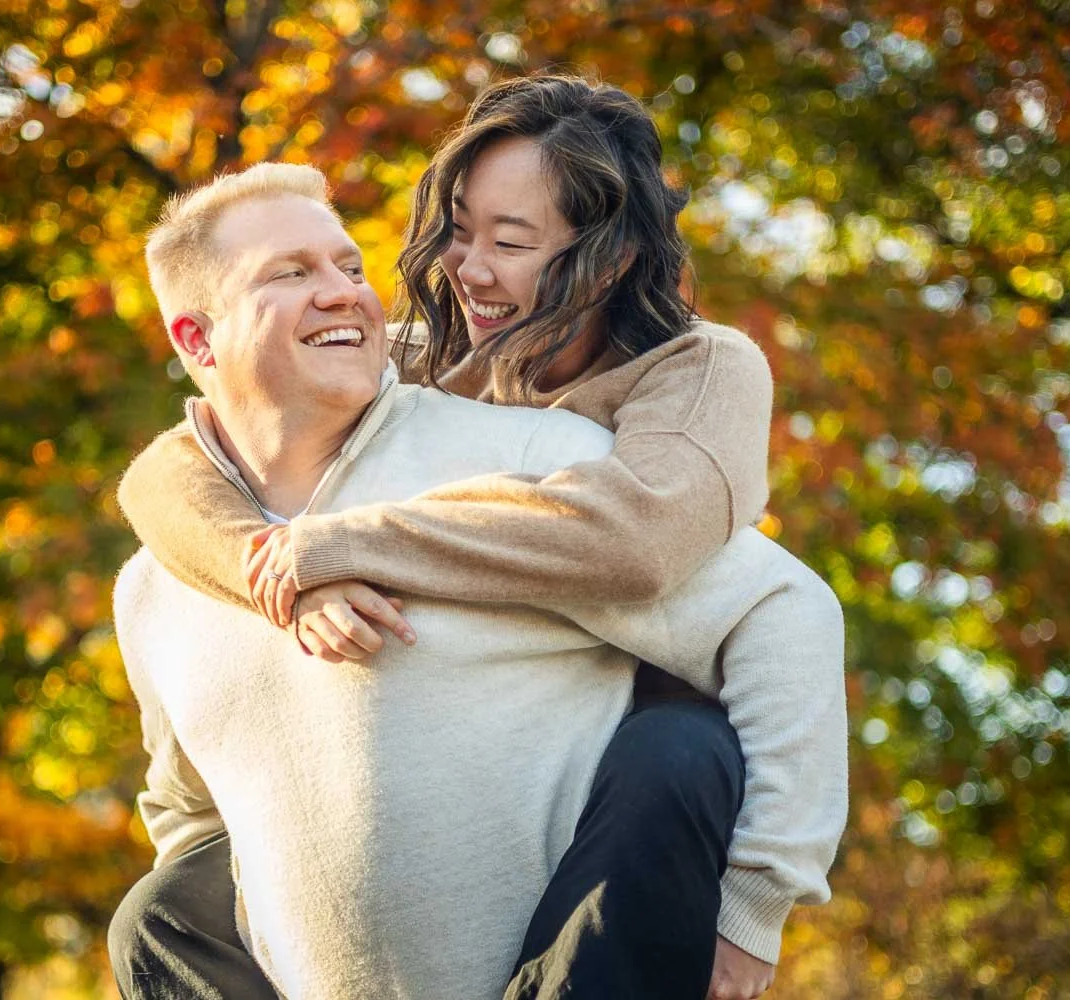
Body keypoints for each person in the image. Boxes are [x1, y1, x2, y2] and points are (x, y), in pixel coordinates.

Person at [117, 75, 821, 997]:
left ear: (608, 262)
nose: (469, 269)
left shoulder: (694, 374)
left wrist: (754, 905)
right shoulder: (428, 358)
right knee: (157, 915)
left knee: (678, 746)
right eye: (459, 231)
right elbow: (170, 468)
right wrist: (274, 571)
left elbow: (642, 544)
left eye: (511, 242)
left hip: (633, 781)